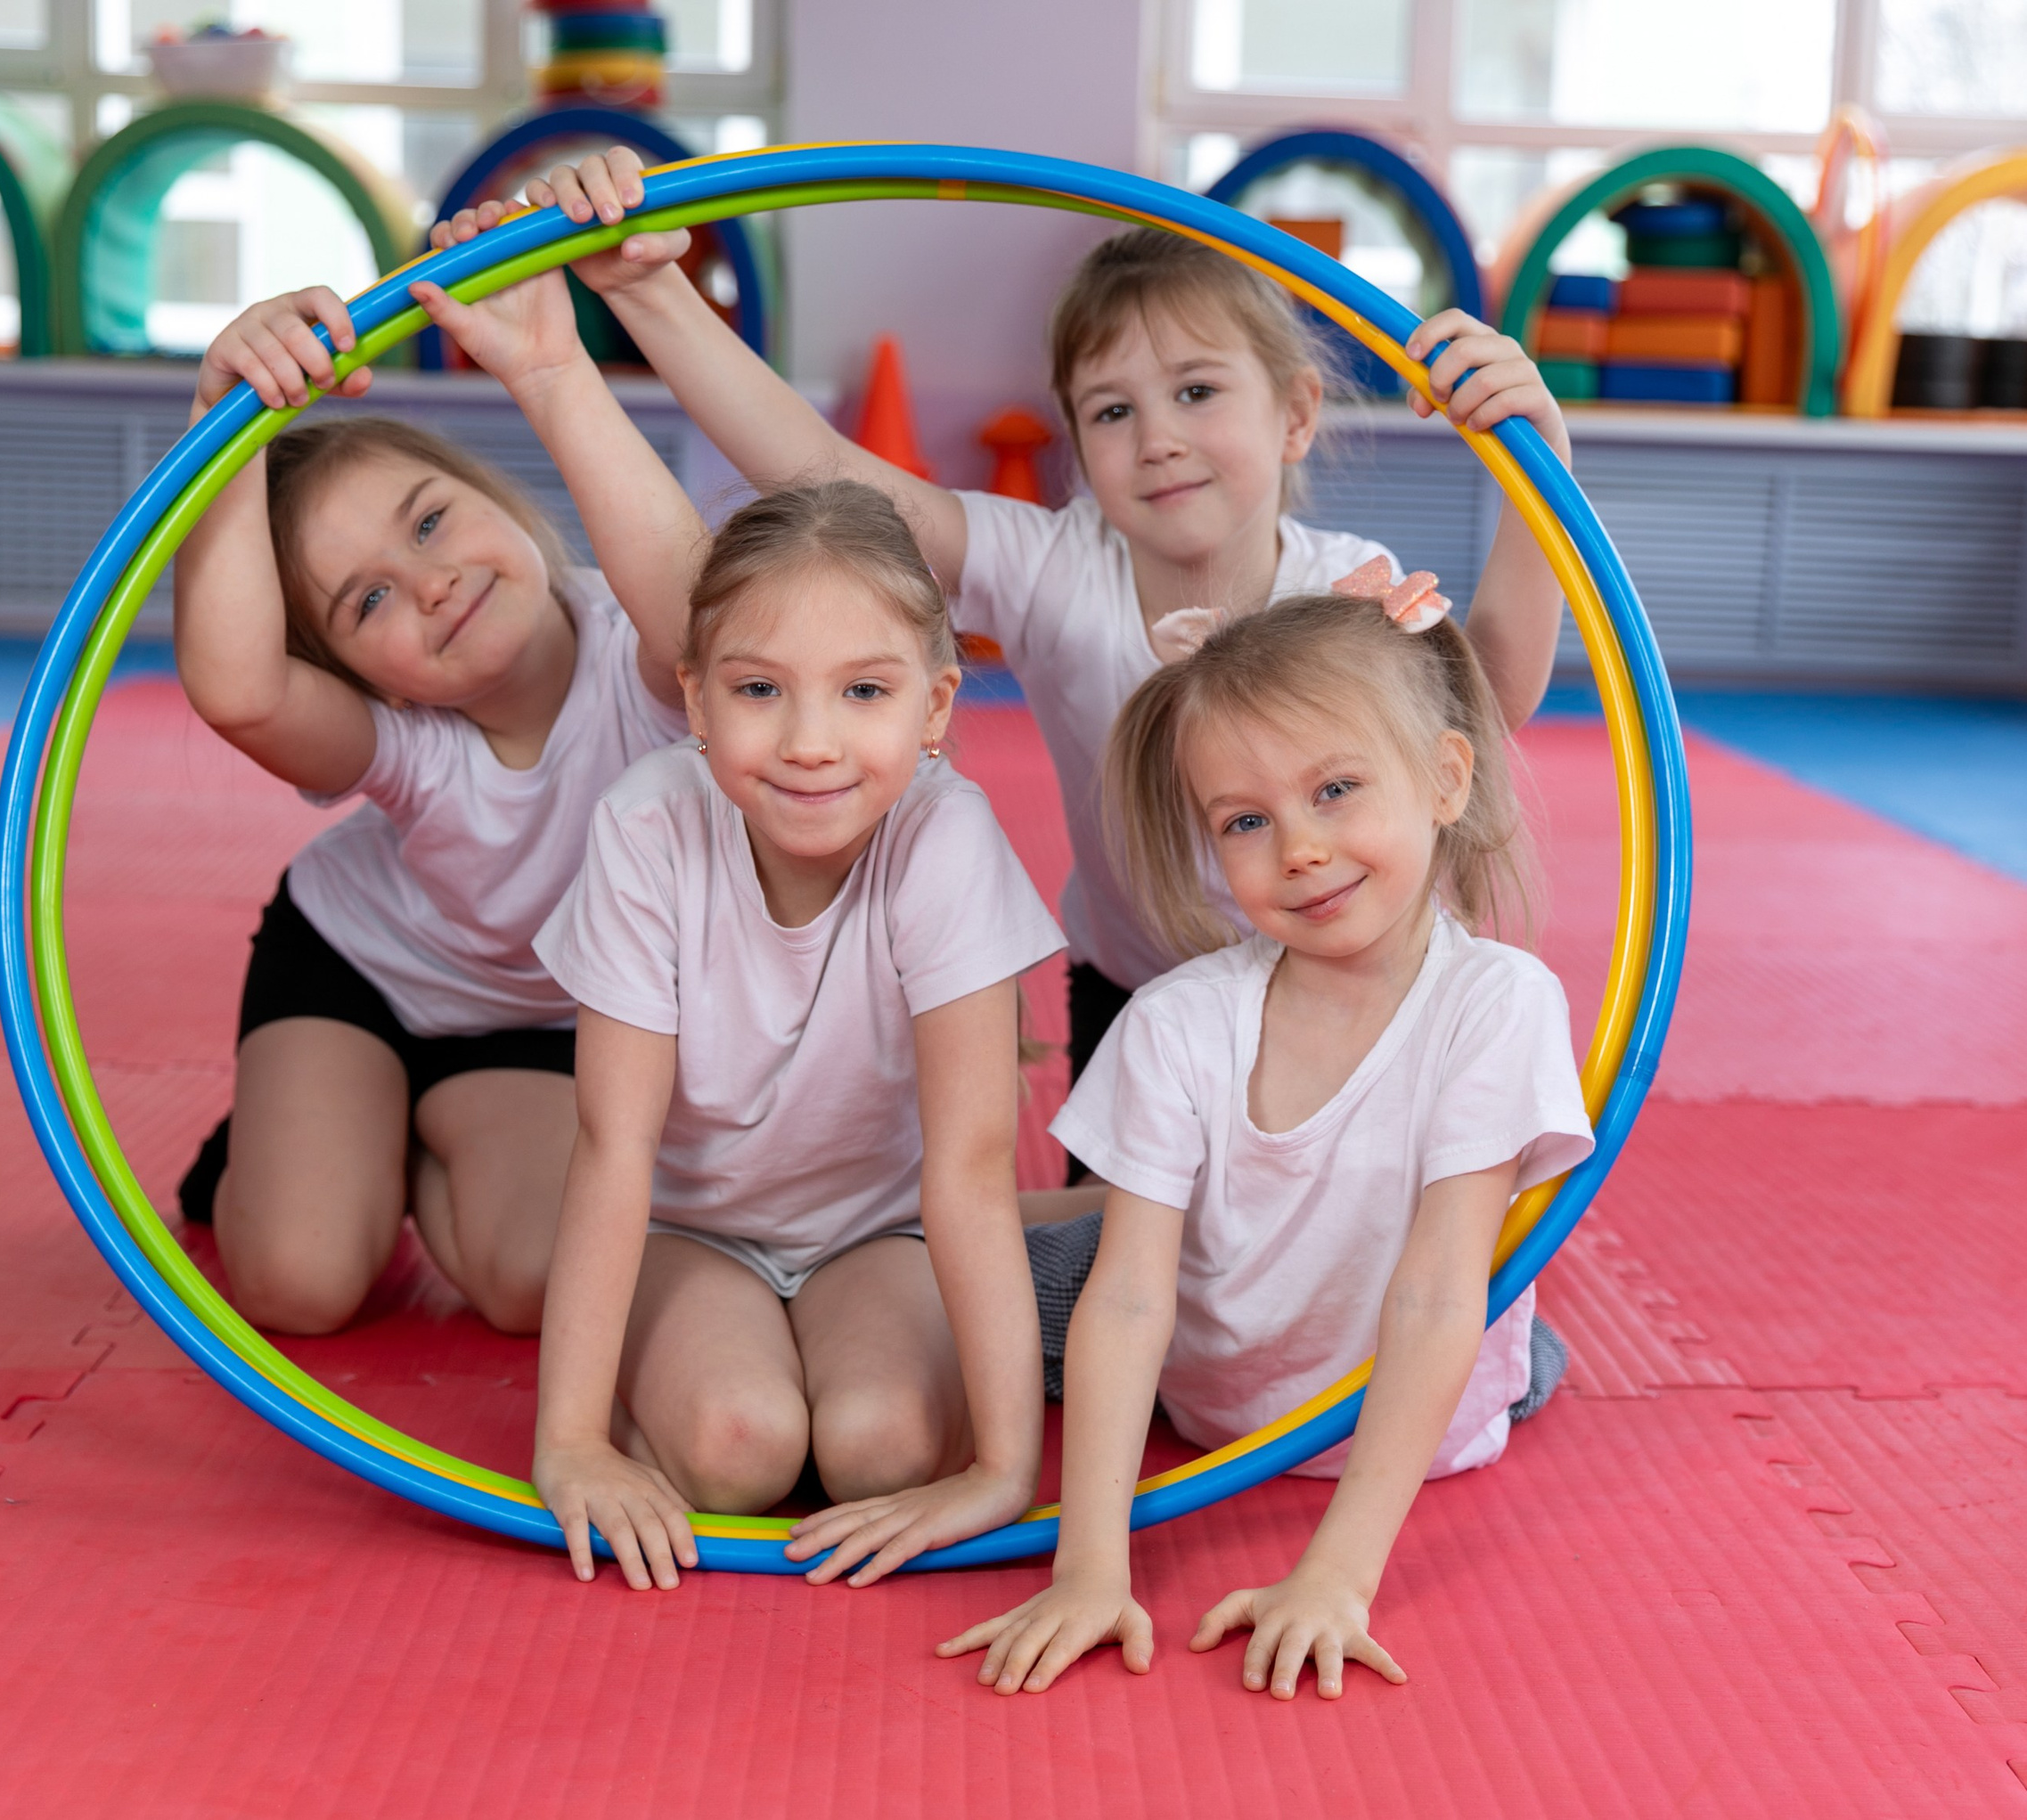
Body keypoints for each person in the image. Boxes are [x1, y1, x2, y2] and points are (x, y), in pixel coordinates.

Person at [434, 149, 1574, 1188]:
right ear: (1078, 449)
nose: (1158, 437)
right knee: (1126, 1311)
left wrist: (1542, 464)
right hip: (1148, 999)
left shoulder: (1344, 590)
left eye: (1196, 391)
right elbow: (825, 473)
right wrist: (649, 295)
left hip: (1352, 981)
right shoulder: (1050, 565)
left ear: (1295, 412)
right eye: (1111, 411)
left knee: (1357, 1271)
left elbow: (1493, 699)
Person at [938, 579, 1595, 1695]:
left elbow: (1440, 1296)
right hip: (1210, 1395)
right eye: (1245, 821)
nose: (1298, 848)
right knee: (970, 1266)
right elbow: (1132, 1299)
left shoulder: (1499, 1002)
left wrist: (1336, 1575)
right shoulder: (1179, 1018)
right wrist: (1089, 1566)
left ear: (1445, 779)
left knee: (1497, 1330)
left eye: (1335, 791)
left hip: (1412, 1406)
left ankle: (1521, 1349)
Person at [527, 479, 1067, 1592]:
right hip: (693, 1232)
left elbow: (967, 1169)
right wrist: (569, 1442)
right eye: (760, 690)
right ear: (696, 700)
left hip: (873, 1234)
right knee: (740, 1448)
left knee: (887, 1450)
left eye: (863, 690)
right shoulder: (647, 822)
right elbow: (612, 1147)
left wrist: (1006, 1469)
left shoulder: (944, 834)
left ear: (934, 709)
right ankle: (660, 1393)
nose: (810, 743)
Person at [169, 262, 702, 1338]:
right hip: (358, 973)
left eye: (429, 524)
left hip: (545, 1016)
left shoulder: (648, 659)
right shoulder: (407, 742)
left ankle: (400, 1137)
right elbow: (238, 690)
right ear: (362, 676)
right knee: (298, 1285)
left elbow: (702, 619)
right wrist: (217, 429)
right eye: (367, 602)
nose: (431, 584)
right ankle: (312, 1126)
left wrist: (552, 370)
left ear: (497, 499)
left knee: (541, 1285)